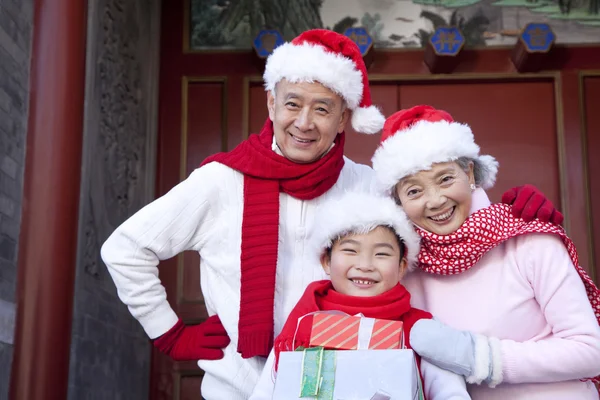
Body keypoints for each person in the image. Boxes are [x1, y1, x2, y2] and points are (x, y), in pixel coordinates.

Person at [100, 29, 560, 399]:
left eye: (323, 109)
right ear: (271, 104)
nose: (304, 122)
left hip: (351, 383)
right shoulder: (222, 181)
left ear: (343, 119)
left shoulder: (365, 184)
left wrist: (508, 213)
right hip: (239, 387)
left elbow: (436, 220)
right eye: (293, 104)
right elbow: (125, 248)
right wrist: (170, 334)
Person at [371, 104, 600, 399]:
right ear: (398, 201)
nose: (436, 201)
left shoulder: (529, 240)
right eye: (414, 191)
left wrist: (481, 358)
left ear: (469, 172)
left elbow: (591, 350)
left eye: (445, 179)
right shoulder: (404, 267)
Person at [250, 193, 471, 400]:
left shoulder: (420, 328)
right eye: (350, 251)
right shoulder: (301, 324)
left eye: (381, 254)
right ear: (326, 261)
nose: (365, 265)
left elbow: (451, 393)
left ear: (402, 266)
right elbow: (266, 391)